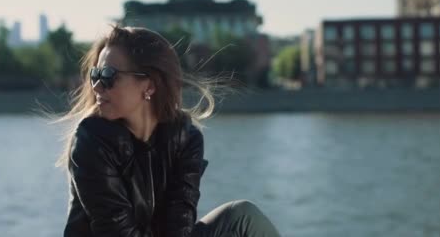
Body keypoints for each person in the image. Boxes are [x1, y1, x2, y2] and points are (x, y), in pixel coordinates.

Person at [57, 25, 281, 237]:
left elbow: (179, 226)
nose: (96, 86)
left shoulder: (185, 137)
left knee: (243, 216)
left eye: (108, 75)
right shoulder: (91, 141)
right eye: (95, 75)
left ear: (149, 85)